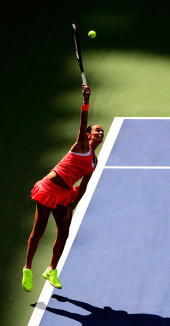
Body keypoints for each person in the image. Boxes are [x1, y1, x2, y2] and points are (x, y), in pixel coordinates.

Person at [22, 84, 104, 291]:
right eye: (97, 130)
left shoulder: (94, 161)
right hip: (49, 188)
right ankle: (28, 268)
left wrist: (72, 205)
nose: (100, 133)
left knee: (64, 231)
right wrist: (86, 101)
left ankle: (51, 269)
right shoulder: (81, 146)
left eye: (102, 131)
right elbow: (83, 122)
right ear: (87, 135)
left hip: (65, 194)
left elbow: (83, 187)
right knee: (39, 229)